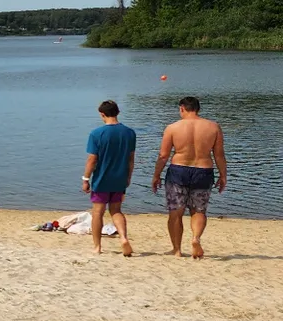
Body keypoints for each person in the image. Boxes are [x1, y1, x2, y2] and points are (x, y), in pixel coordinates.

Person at [152, 95, 228, 258]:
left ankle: (177, 250)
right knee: (198, 210)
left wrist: (156, 175)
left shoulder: (172, 128)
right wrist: (223, 176)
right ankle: (195, 238)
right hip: (203, 170)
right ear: (198, 109)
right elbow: (219, 155)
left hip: (178, 170)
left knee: (175, 212)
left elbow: (163, 155)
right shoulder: (213, 127)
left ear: (181, 109)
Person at [82, 99, 136, 256]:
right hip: (120, 178)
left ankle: (97, 247)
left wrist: (86, 179)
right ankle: (124, 238)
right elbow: (131, 159)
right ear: (118, 112)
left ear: (102, 114)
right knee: (116, 210)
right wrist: (128, 177)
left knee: (98, 212)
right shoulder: (129, 133)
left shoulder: (97, 134)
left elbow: (92, 159)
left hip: (102, 178)